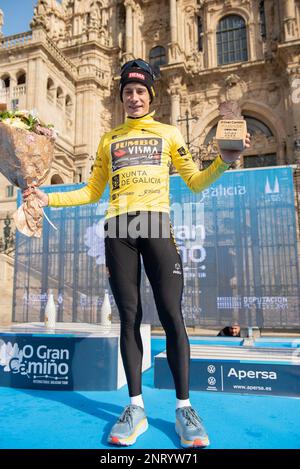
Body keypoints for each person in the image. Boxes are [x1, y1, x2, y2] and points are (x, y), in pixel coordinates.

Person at [23, 59, 251, 448]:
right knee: (129, 316)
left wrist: (223, 162)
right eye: (127, 92)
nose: (133, 98)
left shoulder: (168, 134)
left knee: (171, 314)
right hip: (119, 229)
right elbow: (91, 192)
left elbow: (194, 182)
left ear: (151, 96)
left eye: (140, 92)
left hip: (156, 225)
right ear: (121, 98)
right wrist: (49, 197)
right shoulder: (108, 140)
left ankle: (184, 408)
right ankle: (135, 407)